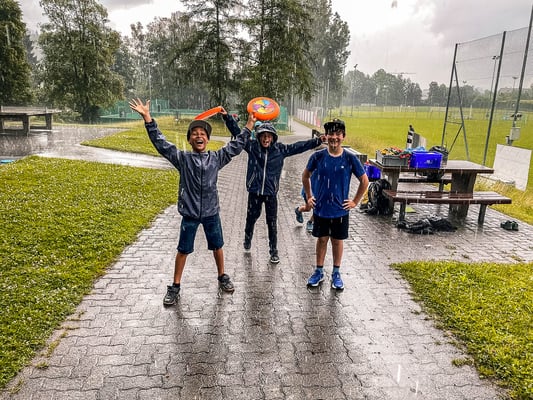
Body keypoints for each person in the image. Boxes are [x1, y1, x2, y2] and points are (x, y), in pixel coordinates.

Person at [129, 98, 255, 306]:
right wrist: (148, 119)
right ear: (189, 140)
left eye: (203, 134)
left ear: (208, 140)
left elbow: (236, 146)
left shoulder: (216, 157)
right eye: (195, 134)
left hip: (211, 213)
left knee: (217, 246)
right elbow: (161, 143)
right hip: (189, 214)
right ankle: (175, 286)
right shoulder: (183, 159)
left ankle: (222, 276)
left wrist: (249, 125)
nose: (199, 136)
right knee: (183, 249)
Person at [224, 117, 324, 264]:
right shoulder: (252, 147)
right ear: (258, 136)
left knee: (272, 223)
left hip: (271, 194)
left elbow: (298, 146)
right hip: (254, 192)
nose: (266, 139)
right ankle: (247, 238)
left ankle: (274, 251)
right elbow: (238, 133)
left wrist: (317, 141)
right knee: (251, 218)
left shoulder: (280, 150)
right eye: (263, 136)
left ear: (273, 137)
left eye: (268, 136)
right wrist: (227, 118)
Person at [303, 118, 369, 290]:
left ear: (343, 136)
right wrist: (309, 196)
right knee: (322, 239)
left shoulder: (350, 158)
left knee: (337, 241)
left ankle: (336, 273)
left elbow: (364, 181)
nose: (334, 137)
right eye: (331, 134)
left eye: (338, 134)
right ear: (325, 136)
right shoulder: (317, 157)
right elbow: (305, 176)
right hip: (321, 209)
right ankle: (319, 271)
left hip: (340, 210)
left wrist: (355, 201)